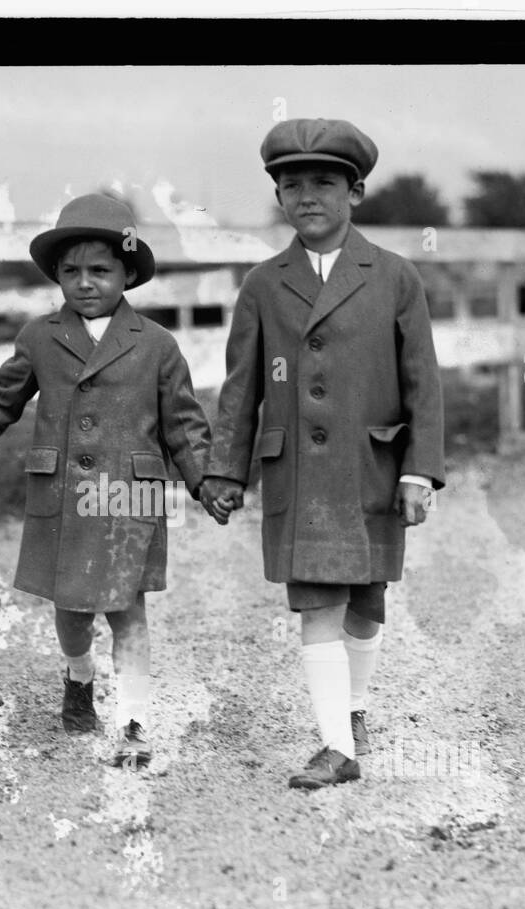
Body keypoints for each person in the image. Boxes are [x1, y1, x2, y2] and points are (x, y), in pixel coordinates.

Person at [200, 118, 445, 790]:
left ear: (356, 190)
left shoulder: (394, 277)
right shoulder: (261, 284)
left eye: (324, 182)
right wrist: (225, 468)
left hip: (374, 465)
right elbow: (240, 386)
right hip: (299, 473)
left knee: (367, 599)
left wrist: (420, 468)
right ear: (279, 195)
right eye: (292, 183)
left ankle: (355, 707)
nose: (307, 195)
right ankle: (337, 746)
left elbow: (424, 378)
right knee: (317, 603)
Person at [0, 194, 210, 769]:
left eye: (101, 270)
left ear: (128, 273)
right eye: (72, 271)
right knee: (71, 606)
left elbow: (185, 425)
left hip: (128, 497)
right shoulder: (39, 337)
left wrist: (209, 482)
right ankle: (79, 675)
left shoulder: (157, 344)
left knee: (128, 607)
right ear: (56, 275)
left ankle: (135, 718)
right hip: (61, 494)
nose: (85, 283)